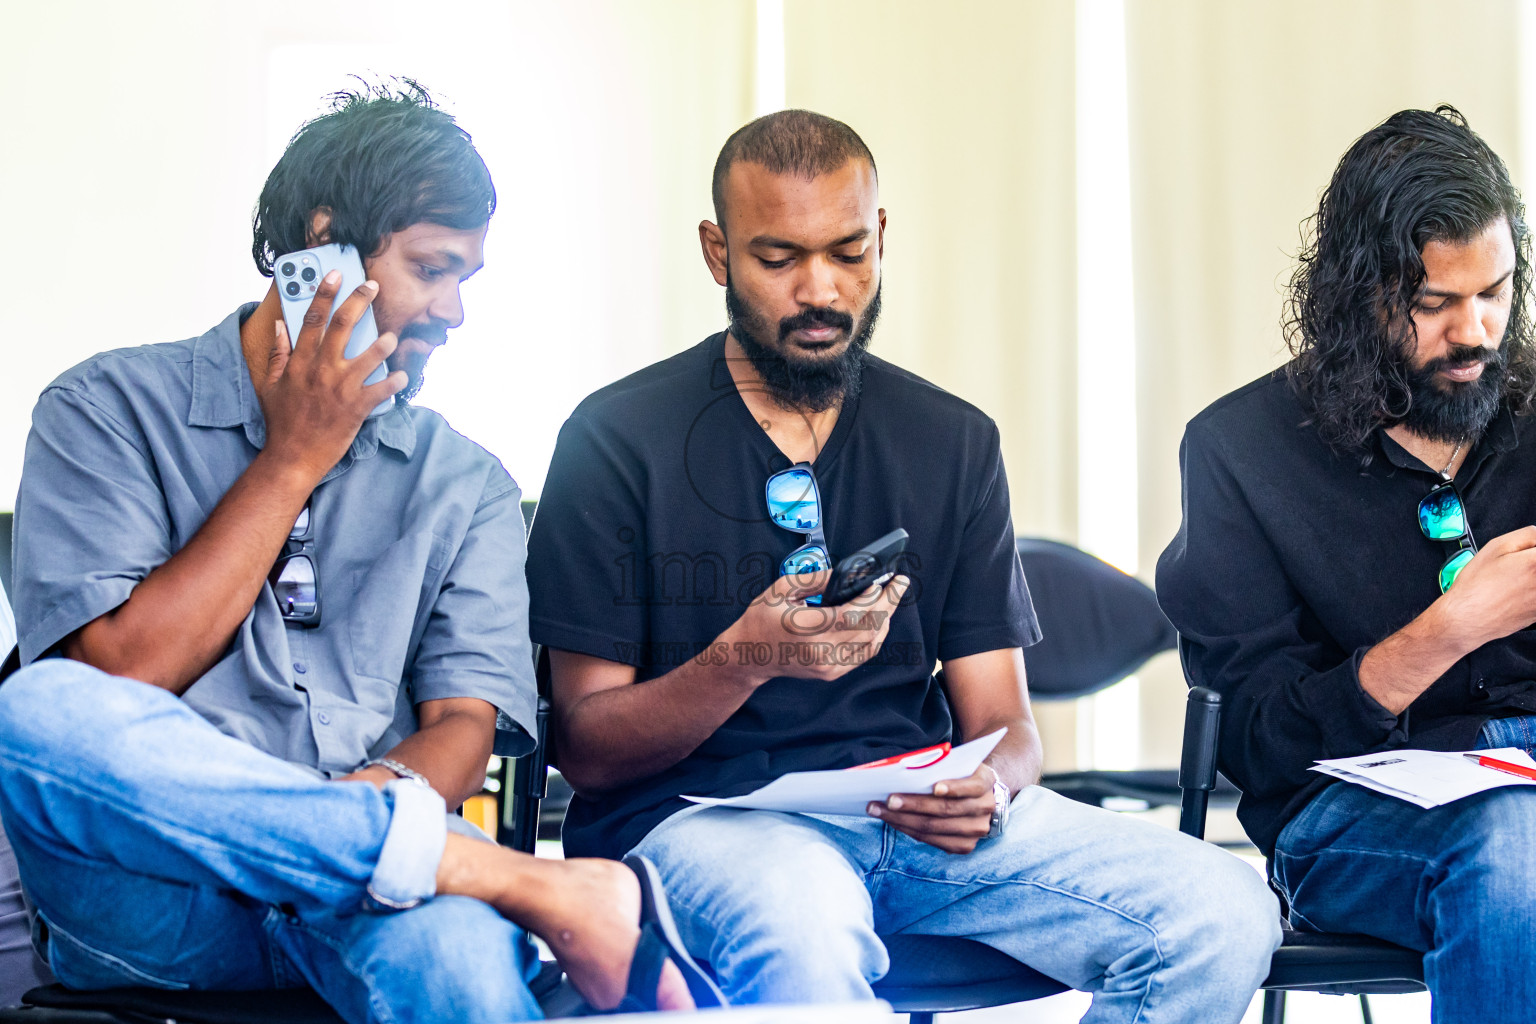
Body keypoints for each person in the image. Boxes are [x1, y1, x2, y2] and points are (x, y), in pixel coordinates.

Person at [526, 109, 1280, 1020]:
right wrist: (751, 658)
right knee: (808, 922)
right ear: (717, 253)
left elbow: (1005, 725)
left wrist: (989, 787)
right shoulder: (617, 440)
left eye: (849, 251)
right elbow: (588, 749)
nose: (822, 289)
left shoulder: (951, 441)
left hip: (912, 821)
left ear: (882, 235)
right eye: (779, 259)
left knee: (1224, 911)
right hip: (702, 823)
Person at [0, 81, 699, 1022]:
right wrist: (295, 455)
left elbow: (464, 724)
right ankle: (476, 869)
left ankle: (400, 855)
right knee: (37, 711)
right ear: (323, 248)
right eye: (431, 267)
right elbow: (118, 681)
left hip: (377, 898)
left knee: (458, 965)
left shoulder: (468, 484)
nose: (455, 311)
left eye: (467, 278)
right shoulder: (103, 410)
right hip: (158, 897)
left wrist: (361, 832)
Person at [1157, 106, 1536, 1024]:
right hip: (1350, 813)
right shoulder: (1240, 452)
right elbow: (1261, 746)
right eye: (1434, 304)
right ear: (1355, 297)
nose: (1477, 332)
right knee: (1513, 852)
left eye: (1496, 291)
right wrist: (1449, 631)